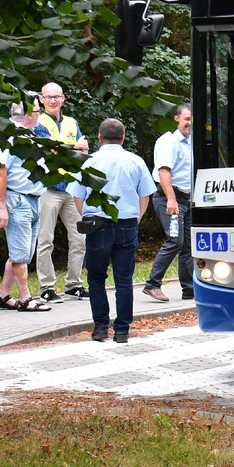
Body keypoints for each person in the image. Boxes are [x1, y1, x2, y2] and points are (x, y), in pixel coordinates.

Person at [70, 118, 155, 343]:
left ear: (99, 138)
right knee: (124, 279)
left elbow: (77, 196)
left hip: (97, 224)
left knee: (96, 277)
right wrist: (137, 217)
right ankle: (122, 330)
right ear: (123, 138)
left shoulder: (88, 162)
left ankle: (100, 327)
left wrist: (86, 216)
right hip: (127, 223)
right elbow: (145, 194)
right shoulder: (135, 161)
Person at [32, 81, 89, 303]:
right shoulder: (38, 122)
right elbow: (51, 151)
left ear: (63, 98)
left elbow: (84, 149)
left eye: (57, 96)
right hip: (48, 188)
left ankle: (74, 284)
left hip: (72, 187)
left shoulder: (72, 122)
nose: (53, 100)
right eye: (48, 97)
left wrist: (72, 149)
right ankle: (46, 287)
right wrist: (73, 148)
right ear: (42, 100)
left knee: (79, 238)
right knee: (46, 239)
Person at [0, 101, 52, 312]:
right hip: (17, 199)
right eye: (37, 109)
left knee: (22, 253)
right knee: (20, 254)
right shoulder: (8, 135)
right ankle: (26, 299)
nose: (40, 113)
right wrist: (1, 207)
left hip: (33, 198)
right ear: (28, 113)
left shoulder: (29, 133)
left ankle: (2, 296)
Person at [143, 103, 193, 302]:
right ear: (177, 119)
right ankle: (152, 285)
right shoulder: (169, 141)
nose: (190, 124)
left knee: (188, 245)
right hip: (169, 199)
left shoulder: (192, 142)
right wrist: (171, 199)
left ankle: (189, 288)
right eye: (187, 119)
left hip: (188, 200)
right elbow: (164, 171)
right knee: (175, 240)